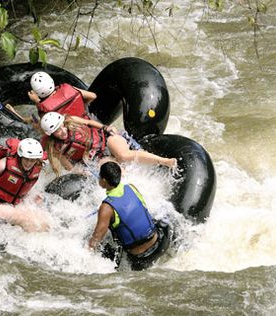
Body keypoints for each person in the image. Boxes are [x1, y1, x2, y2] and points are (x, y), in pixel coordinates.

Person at [88, 161, 171, 271]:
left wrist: (86, 253)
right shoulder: (131, 188)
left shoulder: (106, 208)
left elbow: (96, 239)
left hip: (141, 259)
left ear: (103, 181)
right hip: (160, 244)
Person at [40, 111, 177, 176]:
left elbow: (88, 123)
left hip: (104, 139)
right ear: (52, 134)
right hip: (96, 158)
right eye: (57, 131)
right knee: (119, 173)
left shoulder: (71, 120)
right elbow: (70, 167)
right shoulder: (56, 148)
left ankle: (166, 161)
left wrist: (105, 127)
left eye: (61, 126)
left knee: (123, 155)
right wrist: (83, 172)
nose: (62, 131)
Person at [0, 138, 50, 232]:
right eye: (26, 159)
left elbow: (21, 189)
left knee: (44, 222)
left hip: (12, 206)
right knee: (26, 220)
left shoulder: (35, 170)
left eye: (32, 160)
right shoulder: (3, 165)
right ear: (20, 155)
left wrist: (31, 199)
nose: (29, 163)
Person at [28, 71, 97, 120]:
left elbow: (45, 127)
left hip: (68, 134)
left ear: (36, 92)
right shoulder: (68, 88)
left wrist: (37, 102)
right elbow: (93, 96)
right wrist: (82, 103)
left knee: (33, 122)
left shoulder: (44, 108)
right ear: (52, 81)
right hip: (86, 121)